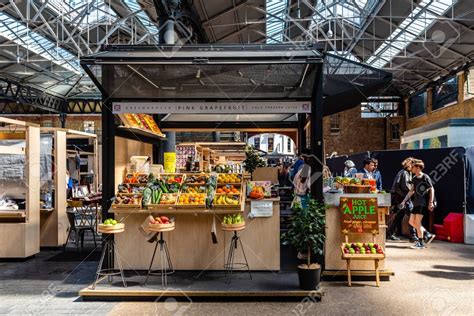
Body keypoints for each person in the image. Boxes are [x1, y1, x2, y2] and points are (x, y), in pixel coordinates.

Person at [401, 159, 436, 249]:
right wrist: (404, 201)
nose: (411, 169)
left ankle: (421, 243)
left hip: (422, 203)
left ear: (418, 168)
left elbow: (431, 189)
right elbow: (411, 191)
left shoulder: (425, 177)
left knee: (417, 222)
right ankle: (427, 234)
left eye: (412, 167)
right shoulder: (414, 178)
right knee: (411, 222)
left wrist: (430, 202)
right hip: (416, 203)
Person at [387, 157, 415, 241]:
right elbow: (405, 186)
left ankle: (390, 233)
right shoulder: (405, 173)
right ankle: (413, 236)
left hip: (399, 197)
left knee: (399, 215)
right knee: (412, 214)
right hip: (402, 197)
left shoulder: (403, 172)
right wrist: (413, 188)